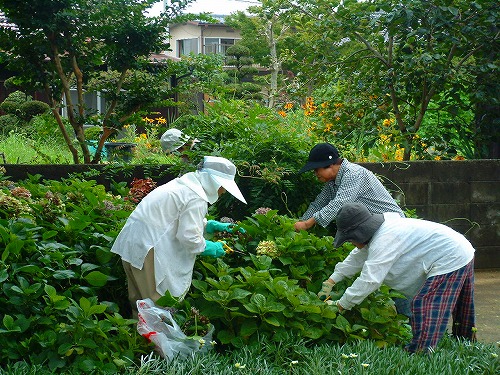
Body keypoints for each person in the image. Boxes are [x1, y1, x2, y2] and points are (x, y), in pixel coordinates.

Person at [318, 202, 476, 353]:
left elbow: (370, 280)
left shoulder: (385, 238)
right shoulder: (378, 232)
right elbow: (357, 258)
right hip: (458, 249)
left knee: (424, 303)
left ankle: (420, 353)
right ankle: (466, 343)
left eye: (351, 239)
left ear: (360, 233)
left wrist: (341, 305)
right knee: (463, 306)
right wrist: (330, 281)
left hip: (451, 255)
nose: (352, 243)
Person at [111, 156, 246, 318]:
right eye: (223, 187)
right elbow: (189, 238)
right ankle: (159, 344)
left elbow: (172, 220)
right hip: (148, 250)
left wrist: (208, 225)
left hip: (133, 244)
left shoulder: (184, 185)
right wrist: (211, 247)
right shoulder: (196, 196)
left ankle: (137, 342)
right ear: (214, 181)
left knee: (139, 305)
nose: (223, 192)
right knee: (156, 308)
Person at [294, 142, 404, 232]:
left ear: (330, 164)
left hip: (392, 225)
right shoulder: (332, 182)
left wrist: (307, 224)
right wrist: (301, 222)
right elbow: (319, 204)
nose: (315, 173)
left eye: (317, 169)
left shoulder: (353, 173)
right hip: (375, 227)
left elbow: (340, 204)